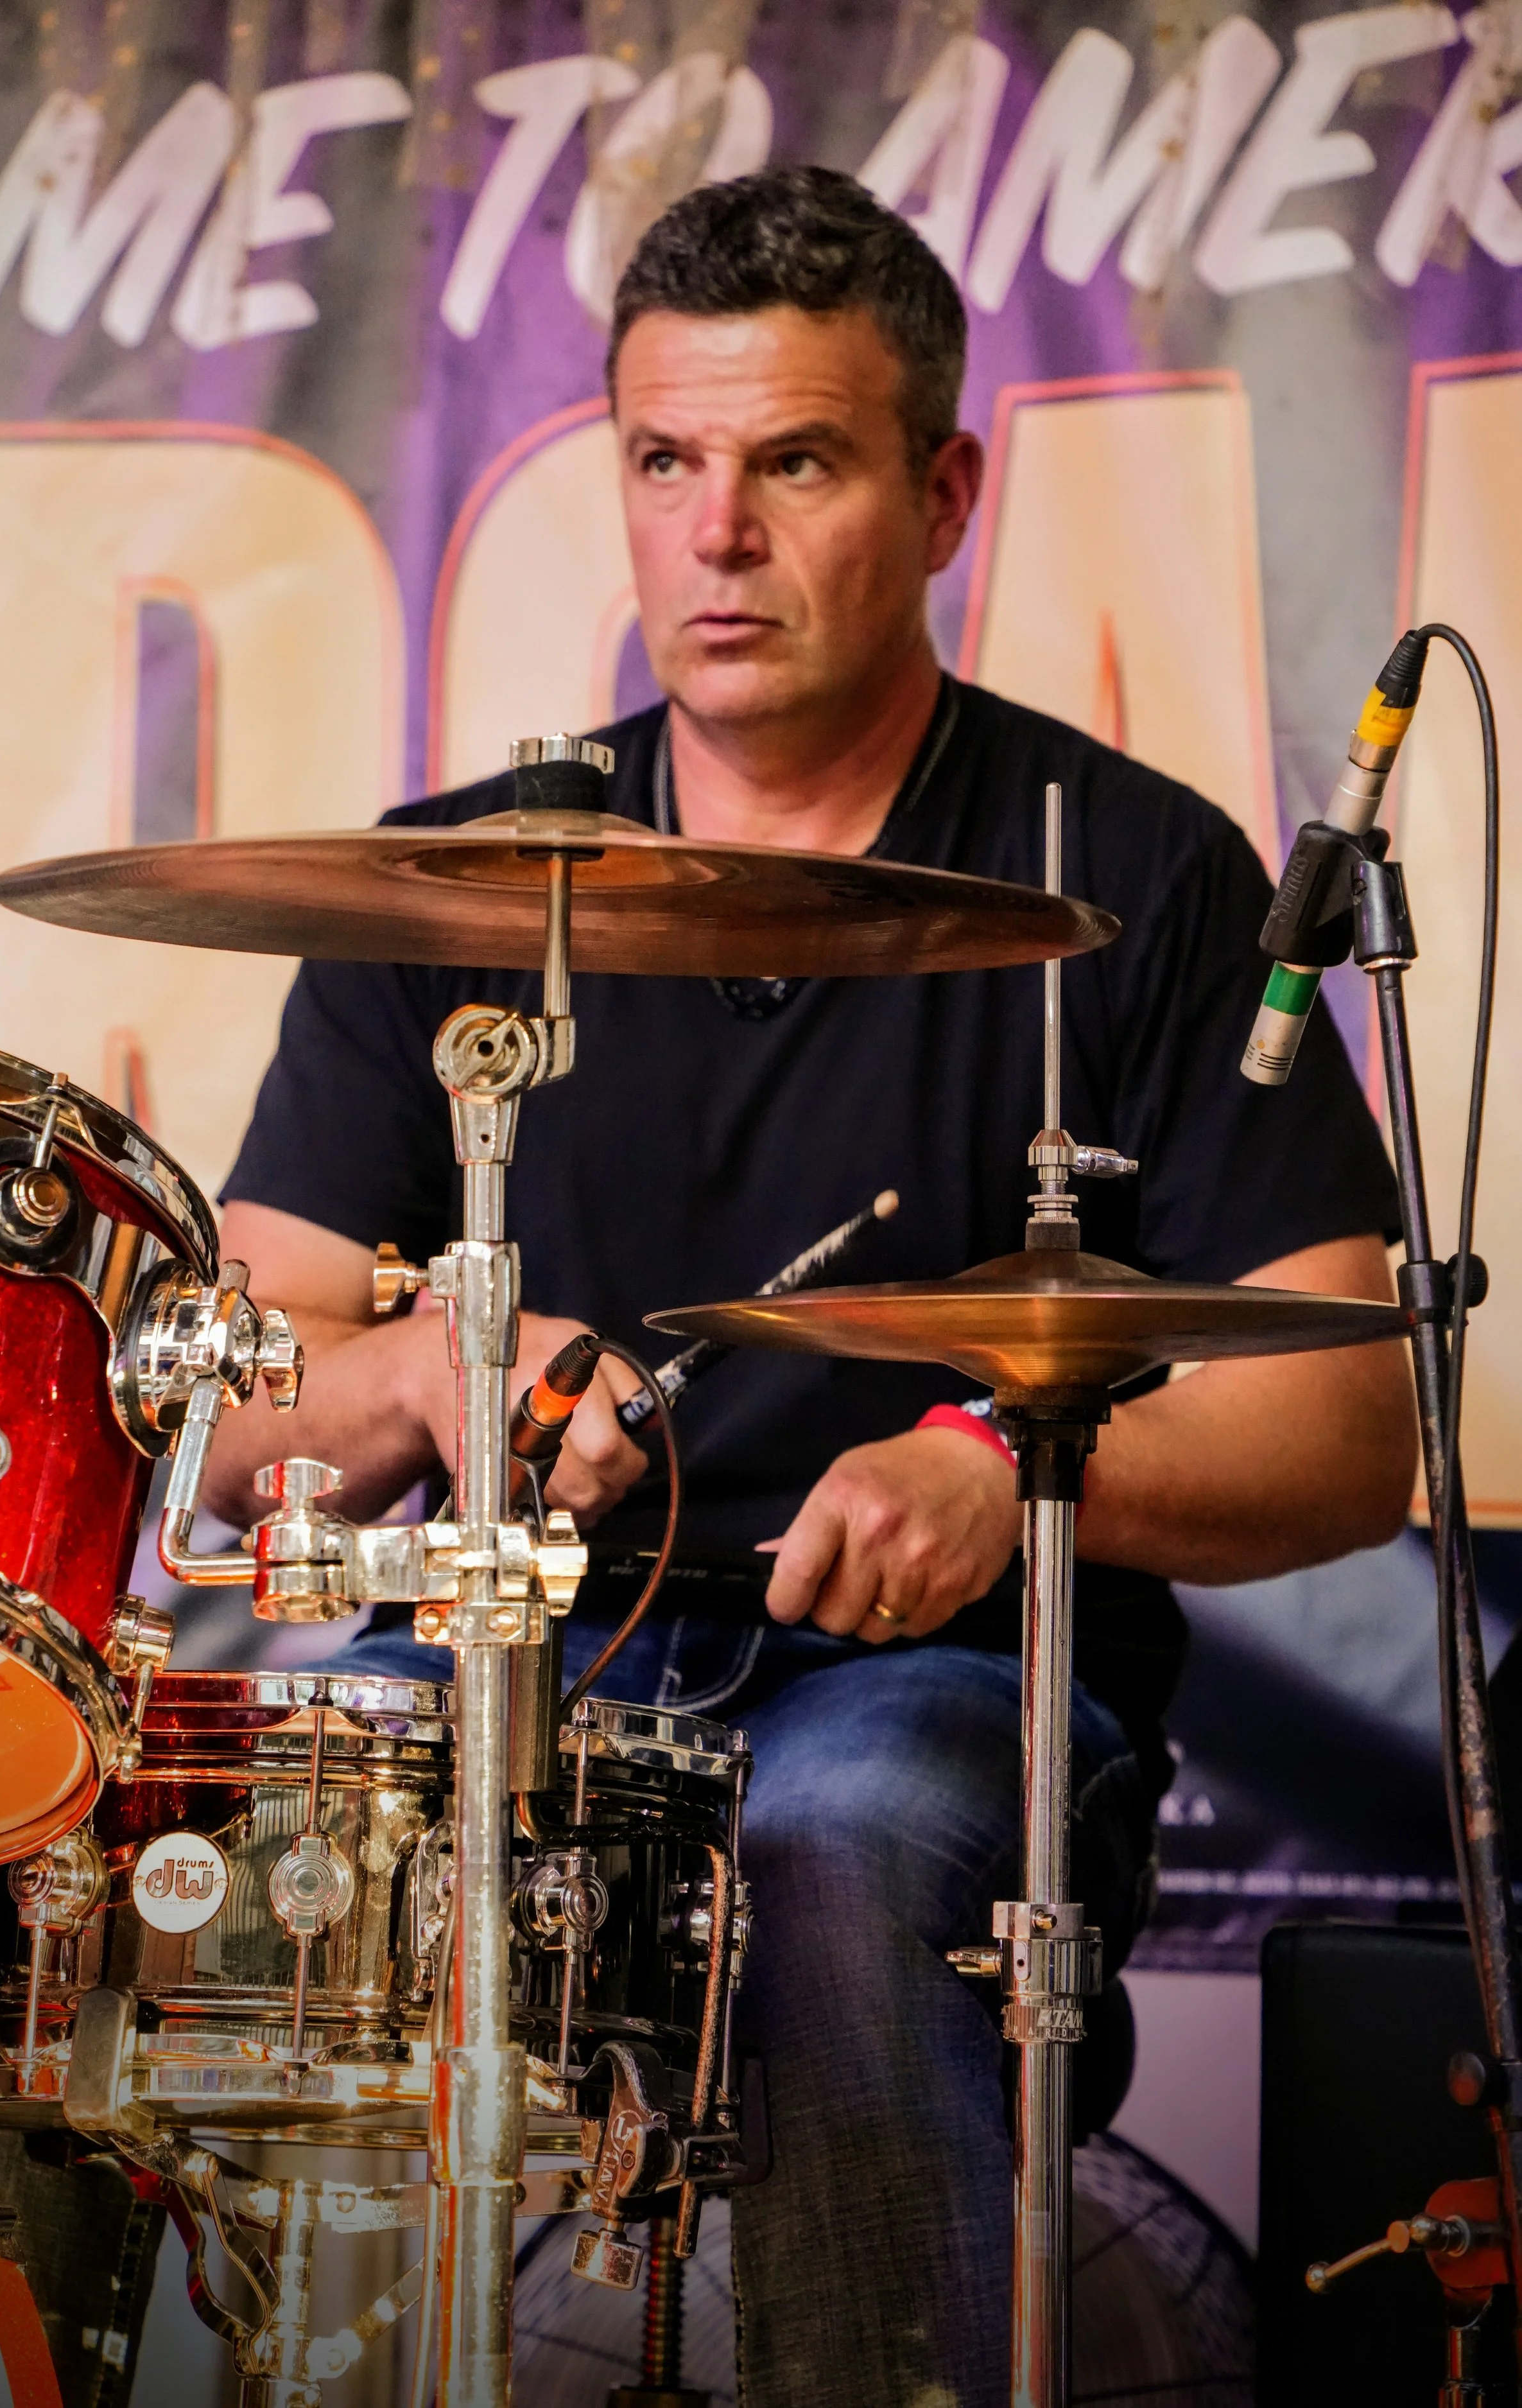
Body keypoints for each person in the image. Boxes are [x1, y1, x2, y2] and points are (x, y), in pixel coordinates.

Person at [207, 168, 1415, 2405]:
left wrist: (1001, 1453)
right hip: (512, 1663)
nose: (717, 533)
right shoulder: (458, 884)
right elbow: (237, 1380)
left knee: (836, 1838)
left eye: (798, 462)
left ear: (943, 489)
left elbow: (1349, 1423)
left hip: (919, 1693)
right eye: (664, 462)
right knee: (237, 1831)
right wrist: (424, 1375)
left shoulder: (1122, 871)